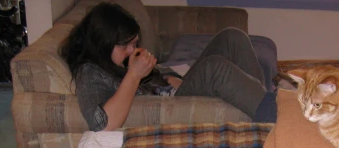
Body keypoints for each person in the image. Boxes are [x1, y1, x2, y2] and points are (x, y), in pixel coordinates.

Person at [60, 2, 277, 132]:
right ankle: (279, 117)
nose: (132, 50)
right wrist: (134, 75)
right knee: (215, 69)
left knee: (233, 37)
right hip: (169, 108)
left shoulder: (114, 58)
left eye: (134, 43)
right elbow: (101, 124)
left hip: (172, 91)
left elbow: (159, 72)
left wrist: (170, 76)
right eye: (126, 45)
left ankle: (263, 109)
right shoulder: (89, 72)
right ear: (103, 42)